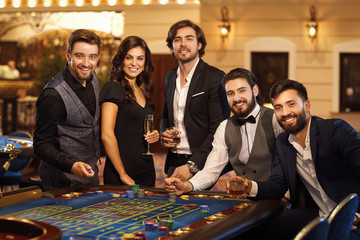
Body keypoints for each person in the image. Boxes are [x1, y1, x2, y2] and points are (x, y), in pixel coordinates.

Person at [226, 79, 360, 240]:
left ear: (307, 105)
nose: (285, 113)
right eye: (278, 107)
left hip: (352, 219)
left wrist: (356, 214)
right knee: (258, 229)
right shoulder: (283, 143)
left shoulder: (334, 130)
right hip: (320, 215)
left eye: (291, 104)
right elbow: (277, 184)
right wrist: (248, 186)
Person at [164, 68, 283, 194]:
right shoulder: (224, 127)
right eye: (230, 93)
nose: (236, 98)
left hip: (277, 198)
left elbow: (292, 165)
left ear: (255, 90)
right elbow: (211, 171)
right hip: (245, 199)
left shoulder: (276, 119)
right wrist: (187, 185)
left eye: (242, 91)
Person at [160, 19, 230, 181]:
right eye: (177, 40)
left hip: (202, 162)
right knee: (172, 204)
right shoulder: (170, 76)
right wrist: (165, 134)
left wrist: (193, 165)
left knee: (196, 206)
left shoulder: (215, 77)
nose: (183, 44)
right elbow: (164, 114)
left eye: (189, 38)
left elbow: (219, 129)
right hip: (174, 160)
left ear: (199, 45)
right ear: (172, 46)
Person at [34, 29, 101, 191]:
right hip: (60, 181)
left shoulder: (93, 80)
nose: (86, 63)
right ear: (68, 55)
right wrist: (71, 165)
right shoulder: (53, 95)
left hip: (91, 176)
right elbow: (41, 145)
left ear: (98, 58)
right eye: (79, 56)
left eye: (92, 57)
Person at [100, 36, 159, 187]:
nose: (134, 63)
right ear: (121, 60)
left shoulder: (142, 90)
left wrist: (154, 135)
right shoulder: (113, 88)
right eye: (129, 58)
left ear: (145, 62)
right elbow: (106, 135)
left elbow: (137, 128)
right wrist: (122, 174)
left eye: (140, 58)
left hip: (146, 170)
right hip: (122, 172)